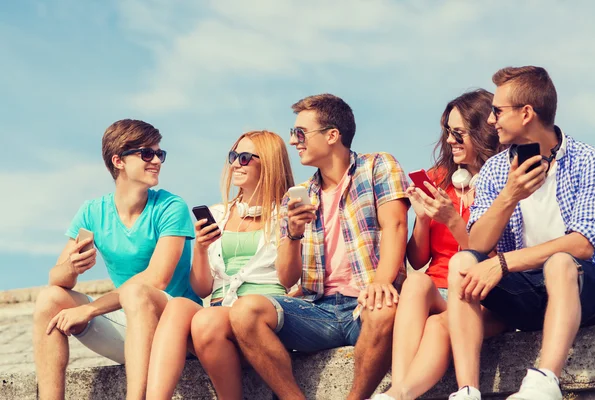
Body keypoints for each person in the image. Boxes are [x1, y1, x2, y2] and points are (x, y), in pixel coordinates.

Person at [229, 93, 410, 400]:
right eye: (293, 134)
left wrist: (381, 281)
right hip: (319, 309)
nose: (293, 141)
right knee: (244, 312)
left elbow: (396, 225)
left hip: (365, 301)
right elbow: (286, 280)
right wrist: (294, 233)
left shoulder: (378, 165)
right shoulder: (299, 195)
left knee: (384, 310)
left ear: (332, 136)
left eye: (300, 133)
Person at [447, 66, 595, 400]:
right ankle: (467, 391)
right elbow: (476, 244)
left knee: (561, 261)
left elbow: (583, 244)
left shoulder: (587, 160)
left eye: (498, 111)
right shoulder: (495, 170)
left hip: (582, 288)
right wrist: (510, 195)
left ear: (527, 112)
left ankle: (545, 382)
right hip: (526, 292)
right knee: (461, 263)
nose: (491, 120)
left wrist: (503, 263)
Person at [32, 119, 198, 400]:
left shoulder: (171, 207)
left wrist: (91, 308)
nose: (157, 160)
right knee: (50, 299)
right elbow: (56, 279)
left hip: (177, 329)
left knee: (138, 293)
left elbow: (158, 279)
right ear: (118, 160)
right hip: (132, 326)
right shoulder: (93, 213)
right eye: (147, 153)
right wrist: (71, 268)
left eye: (160, 154)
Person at [372, 89, 501, 400]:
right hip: (438, 288)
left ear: (482, 132)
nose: (450, 141)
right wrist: (425, 219)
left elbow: (491, 258)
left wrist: (454, 221)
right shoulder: (438, 178)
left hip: (481, 294)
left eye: (459, 133)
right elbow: (417, 259)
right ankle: (397, 389)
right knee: (415, 283)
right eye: (447, 132)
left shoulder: (500, 183)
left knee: (437, 327)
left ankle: (398, 394)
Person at [146, 130, 295, 400]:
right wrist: (201, 248)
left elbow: (292, 278)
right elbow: (202, 288)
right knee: (180, 305)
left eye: (246, 157)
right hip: (216, 317)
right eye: (233, 156)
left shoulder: (287, 215)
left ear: (270, 162)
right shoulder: (218, 214)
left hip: (261, 318)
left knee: (206, 320)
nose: (236, 163)